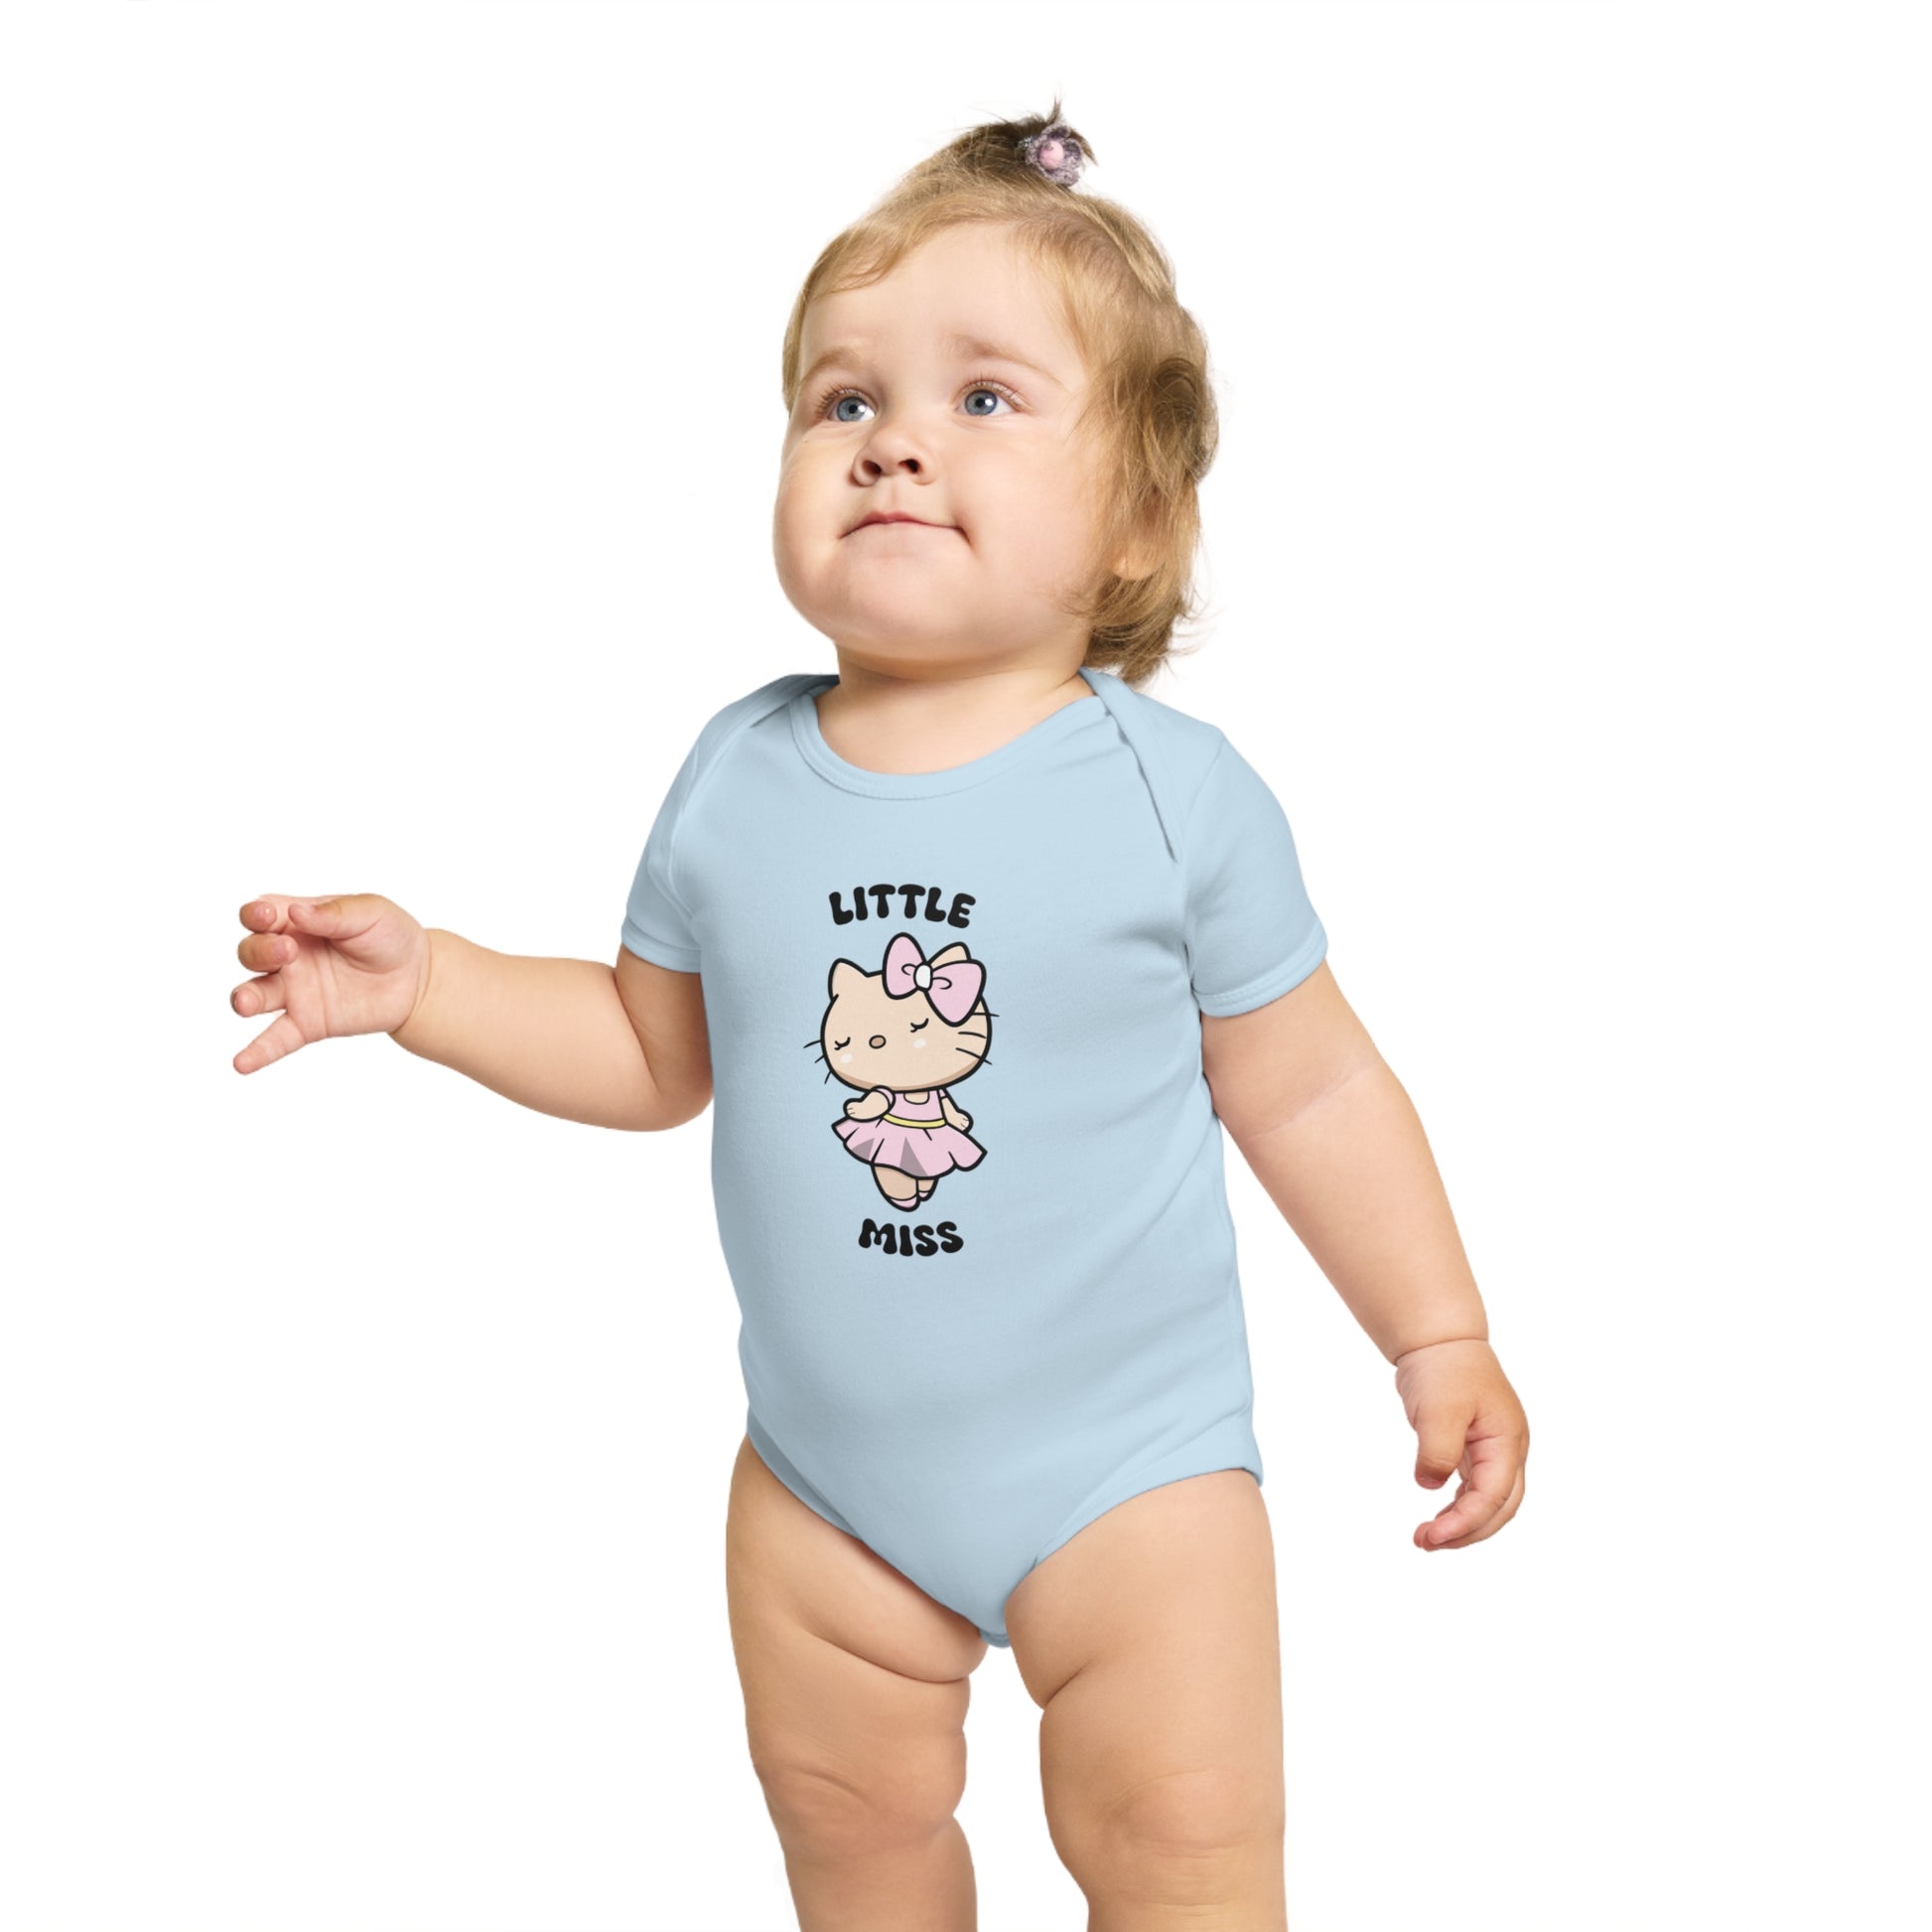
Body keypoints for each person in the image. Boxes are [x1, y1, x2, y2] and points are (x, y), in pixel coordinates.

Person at [231, 100, 1530, 1932]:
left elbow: (1310, 1090)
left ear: (1138, 522)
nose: (894, 439)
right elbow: (652, 1051)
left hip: (1131, 1478)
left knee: (1182, 1849)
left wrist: (1435, 1331)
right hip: (823, 1488)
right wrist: (432, 982)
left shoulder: (1175, 795)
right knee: (851, 1842)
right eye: (842, 400)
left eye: (983, 397)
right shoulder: (737, 775)